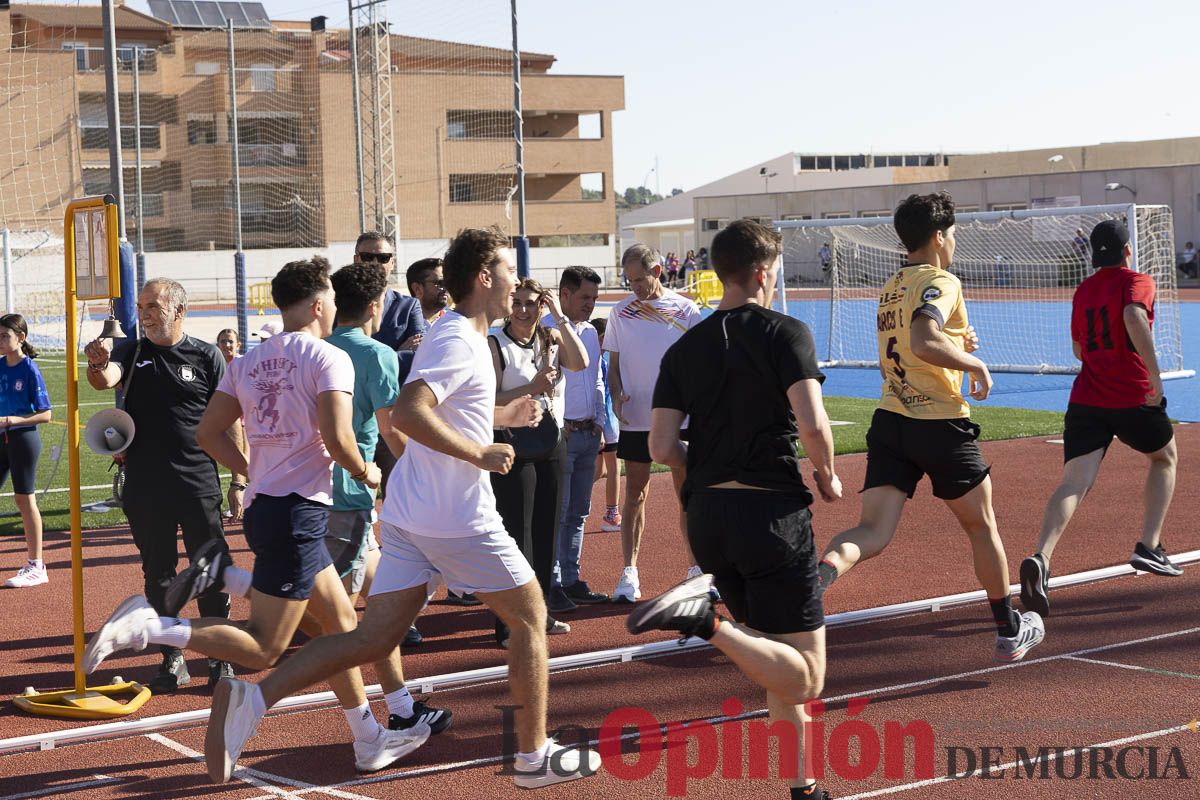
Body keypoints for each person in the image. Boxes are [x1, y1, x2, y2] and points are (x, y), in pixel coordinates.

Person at [198, 228, 599, 789]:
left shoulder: (459, 337)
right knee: (531, 617)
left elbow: (443, 411)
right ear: (485, 277)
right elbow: (410, 415)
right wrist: (479, 452)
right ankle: (533, 757)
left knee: (371, 639)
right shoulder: (458, 338)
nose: (519, 280)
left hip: (412, 513)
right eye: (509, 268)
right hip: (455, 515)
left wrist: (499, 420)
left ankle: (254, 697)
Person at [82, 258, 430, 781]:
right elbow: (337, 439)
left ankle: (367, 737)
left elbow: (208, 434)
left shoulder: (246, 361)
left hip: (269, 508)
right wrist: (368, 472)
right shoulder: (328, 358)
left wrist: (253, 469)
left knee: (340, 625)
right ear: (318, 305)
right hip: (298, 512)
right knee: (266, 645)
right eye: (331, 299)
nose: (335, 307)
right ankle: (151, 626)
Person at [630, 218, 841, 800]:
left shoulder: (685, 347)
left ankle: (805, 786)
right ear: (762, 272)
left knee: (776, 651)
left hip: (709, 519)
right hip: (770, 514)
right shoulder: (786, 332)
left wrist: (692, 482)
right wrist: (827, 472)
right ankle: (708, 620)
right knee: (807, 675)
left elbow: (661, 447)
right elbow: (813, 422)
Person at [817, 192, 1045, 662]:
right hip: (940, 425)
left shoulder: (892, 285)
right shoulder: (943, 279)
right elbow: (923, 339)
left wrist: (956, 344)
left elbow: (901, 352)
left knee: (872, 533)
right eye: (954, 234)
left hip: (890, 420)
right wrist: (975, 364)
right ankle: (1008, 629)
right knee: (982, 528)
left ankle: (813, 583)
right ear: (940, 236)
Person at [1020, 220, 1181, 617]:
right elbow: (1132, 316)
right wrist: (1155, 376)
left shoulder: (1084, 289)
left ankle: (1041, 557)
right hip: (1131, 395)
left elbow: (1078, 348)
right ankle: (1149, 545)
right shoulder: (1137, 280)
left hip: (1087, 398)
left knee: (1074, 482)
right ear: (1127, 250)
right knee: (1165, 459)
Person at [83, 279, 235, 692]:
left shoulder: (206, 356)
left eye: (153, 305)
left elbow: (230, 421)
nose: (145, 313)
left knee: (211, 570)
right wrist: (97, 363)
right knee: (158, 575)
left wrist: (239, 478)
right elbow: (105, 378)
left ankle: (221, 657)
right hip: (145, 487)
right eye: (142, 306)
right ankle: (172, 658)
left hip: (198, 481)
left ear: (179, 310)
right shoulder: (131, 352)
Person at [489, 277, 588, 639]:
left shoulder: (551, 338)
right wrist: (532, 386)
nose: (524, 310)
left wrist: (559, 315)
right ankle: (510, 623)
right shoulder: (495, 343)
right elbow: (489, 399)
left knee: (548, 529)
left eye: (532, 303)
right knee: (517, 535)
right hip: (513, 444)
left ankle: (541, 614)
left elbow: (581, 362)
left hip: (551, 440)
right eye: (518, 302)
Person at [605, 244, 703, 603]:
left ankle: (696, 569)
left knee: (687, 494)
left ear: (657, 271)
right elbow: (613, 367)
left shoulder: (687, 309)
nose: (635, 288)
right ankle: (628, 574)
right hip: (635, 420)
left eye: (640, 279)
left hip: (681, 418)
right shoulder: (620, 312)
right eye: (629, 281)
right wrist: (615, 395)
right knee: (635, 494)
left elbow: (700, 365)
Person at [357, 233, 426, 644]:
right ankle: (357, 616)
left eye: (381, 256)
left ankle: (402, 615)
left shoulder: (407, 305)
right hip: (353, 426)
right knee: (358, 523)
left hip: (396, 421)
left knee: (402, 517)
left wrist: (377, 351)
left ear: (392, 260)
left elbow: (417, 356)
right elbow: (346, 351)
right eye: (367, 255)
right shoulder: (341, 297)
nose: (374, 262)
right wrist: (391, 350)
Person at [545, 267, 609, 613]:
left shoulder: (588, 332)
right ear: (564, 295)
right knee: (559, 511)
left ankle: (571, 579)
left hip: (588, 433)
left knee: (579, 512)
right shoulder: (546, 329)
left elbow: (597, 378)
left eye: (595, 299)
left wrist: (600, 422)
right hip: (562, 434)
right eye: (585, 297)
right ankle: (552, 581)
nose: (591, 305)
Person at [0, 314, 52, 588]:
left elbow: (46, 414)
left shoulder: (29, 369)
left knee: (24, 500)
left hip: (22, 439)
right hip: (1, 439)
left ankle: (36, 565)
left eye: (4, 336)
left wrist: (14, 420)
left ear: (21, 337)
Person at [591, 318, 622, 532]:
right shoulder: (601, 361)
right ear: (602, 338)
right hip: (608, 425)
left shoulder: (595, 359)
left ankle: (575, 499)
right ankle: (612, 514)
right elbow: (601, 394)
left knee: (598, 471)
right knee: (614, 469)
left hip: (600, 422)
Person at [215, 328, 248, 521]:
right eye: (223, 341)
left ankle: (245, 498)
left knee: (246, 464)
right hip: (224, 421)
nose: (226, 345)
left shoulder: (243, 364)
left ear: (238, 345)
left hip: (245, 420)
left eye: (230, 341)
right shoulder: (216, 364)